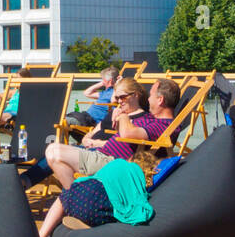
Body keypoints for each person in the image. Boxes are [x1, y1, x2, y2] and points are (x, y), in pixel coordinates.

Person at [42, 77, 179, 190]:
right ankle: (74, 197)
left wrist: (123, 116)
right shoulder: (152, 119)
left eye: (151, 96)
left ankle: (73, 199)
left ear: (160, 100)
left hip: (113, 162)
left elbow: (127, 134)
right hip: (102, 154)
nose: (148, 99)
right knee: (54, 151)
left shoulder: (162, 124)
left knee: (54, 151)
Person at [38, 150, 157, 237]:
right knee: (112, 205)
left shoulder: (118, 162)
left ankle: (40, 236)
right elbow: (136, 199)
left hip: (77, 196)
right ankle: (92, 224)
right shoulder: (138, 178)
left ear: (131, 159)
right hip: (95, 206)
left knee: (63, 197)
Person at [65, 67, 120, 141]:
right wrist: (101, 83)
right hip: (84, 117)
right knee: (61, 120)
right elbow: (87, 93)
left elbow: (113, 101)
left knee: (64, 122)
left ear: (109, 81)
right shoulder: (104, 93)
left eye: (103, 79)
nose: (102, 81)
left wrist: (117, 84)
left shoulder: (116, 93)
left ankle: (58, 146)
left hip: (91, 122)